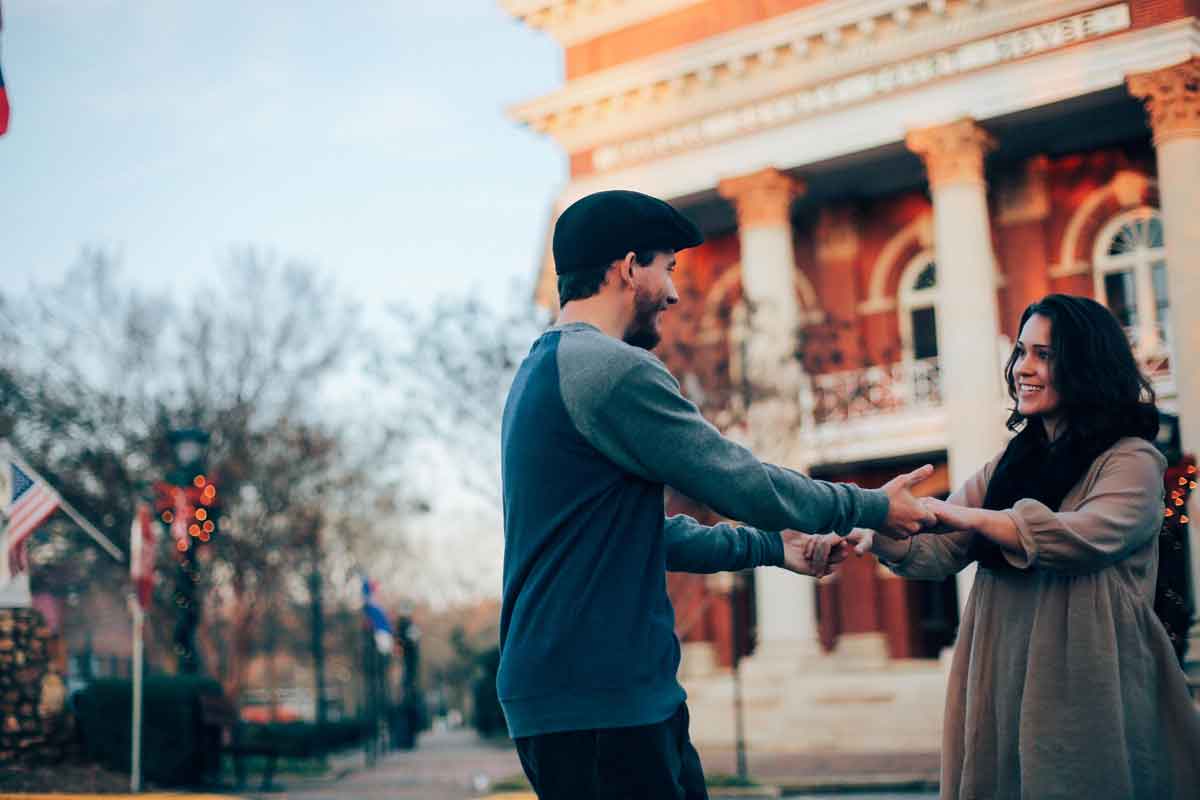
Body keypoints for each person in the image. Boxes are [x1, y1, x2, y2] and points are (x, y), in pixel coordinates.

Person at [499, 189, 936, 800]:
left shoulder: (541, 371)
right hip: (600, 699)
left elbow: (646, 534)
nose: (674, 293)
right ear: (628, 268)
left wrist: (771, 549)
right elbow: (736, 478)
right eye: (667, 268)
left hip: (590, 694)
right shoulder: (609, 368)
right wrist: (874, 506)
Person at [847, 294, 1200, 799]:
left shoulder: (1132, 460)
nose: (1022, 369)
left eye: (1045, 355)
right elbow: (939, 552)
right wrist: (877, 526)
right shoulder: (1009, 463)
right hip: (1000, 677)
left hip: (1086, 678)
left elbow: (1084, 536)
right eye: (1020, 352)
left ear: (1086, 365)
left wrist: (964, 514)